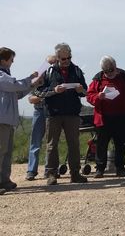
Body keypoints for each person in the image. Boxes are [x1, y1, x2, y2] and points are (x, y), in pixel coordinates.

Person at [36, 43, 88, 186]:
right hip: (53, 113)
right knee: (52, 145)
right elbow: (38, 91)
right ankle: (52, 174)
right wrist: (54, 91)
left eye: (69, 57)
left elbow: (86, 91)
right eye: (63, 58)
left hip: (72, 113)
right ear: (58, 58)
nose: (67, 61)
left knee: (74, 144)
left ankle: (75, 174)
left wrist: (80, 90)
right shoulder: (49, 71)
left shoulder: (77, 70)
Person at [86, 56, 125, 178]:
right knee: (101, 144)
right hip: (103, 118)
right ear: (103, 70)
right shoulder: (97, 80)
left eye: (111, 69)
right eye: (106, 70)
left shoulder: (124, 78)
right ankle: (100, 168)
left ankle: (120, 168)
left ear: (115, 66)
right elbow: (89, 96)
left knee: (121, 143)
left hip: (122, 117)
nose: (109, 72)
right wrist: (98, 96)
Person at [0, 47, 38, 194]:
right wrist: (30, 78)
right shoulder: (2, 76)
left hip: (7, 120)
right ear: (3, 60)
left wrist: (32, 84)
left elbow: (17, 93)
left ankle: (4, 180)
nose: (12, 62)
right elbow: (16, 85)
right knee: (1, 151)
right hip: (2, 120)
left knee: (7, 151)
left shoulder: (5, 77)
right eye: (11, 59)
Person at [25, 54, 57, 181]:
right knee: (36, 142)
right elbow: (30, 99)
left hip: (52, 112)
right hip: (39, 112)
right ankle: (31, 171)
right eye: (51, 63)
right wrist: (44, 96)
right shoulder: (38, 78)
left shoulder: (55, 77)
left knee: (51, 143)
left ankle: (49, 171)